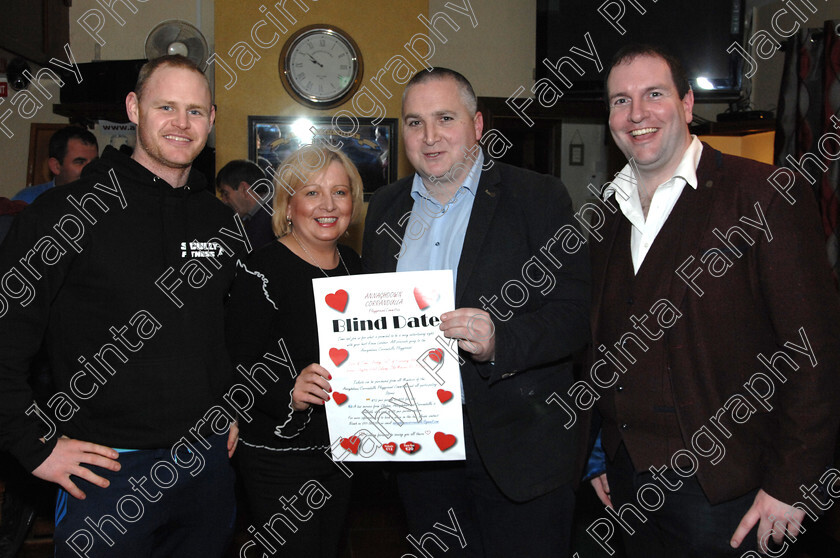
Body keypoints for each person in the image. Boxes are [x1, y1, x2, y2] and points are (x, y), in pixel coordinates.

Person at [587, 43, 840, 557]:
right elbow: (600, 348)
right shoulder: (604, 216)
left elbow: (815, 351)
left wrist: (793, 484)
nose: (637, 114)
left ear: (685, 104)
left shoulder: (764, 194)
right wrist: (598, 453)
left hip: (731, 493)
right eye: (620, 101)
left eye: (653, 94)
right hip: (628, 485)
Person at [0, 55, 246, 557]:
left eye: (196, 110)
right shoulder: (65, 213)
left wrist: (231, 403)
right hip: (107, 472)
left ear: (212, 119)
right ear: (134, 108)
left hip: (206, 468)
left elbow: (224, 332)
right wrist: (34, 445)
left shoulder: (220, 222)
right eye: (167, 107)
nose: (182, 123)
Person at [362, 68, 590, 557]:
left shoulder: (538, 197)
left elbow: (575, 314)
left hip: (518, 447)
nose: (429, 136)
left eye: (445, 118)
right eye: (414, 122)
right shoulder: (384, 207)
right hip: (420, 449)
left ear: (478, 124)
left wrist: (499, 342)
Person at [226, 145, 364, 557]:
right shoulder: (259, 270)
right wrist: (288, 388)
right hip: (278, 456)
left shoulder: (358, 268)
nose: (328, 205)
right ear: (287, 205)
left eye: (340, 192)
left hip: (344, 449)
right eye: (312, 192)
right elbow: (233, 367)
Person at [12, 126, 98, 203]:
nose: (90, 169)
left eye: (94, 162)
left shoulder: (104, 201)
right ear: (56, 166)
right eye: (80, 162)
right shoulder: (28, 200)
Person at [216, 159, 276, 250]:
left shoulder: (265, 224)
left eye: (225, 194)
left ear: (244, 189)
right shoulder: (272, 210)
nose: (224, 200)